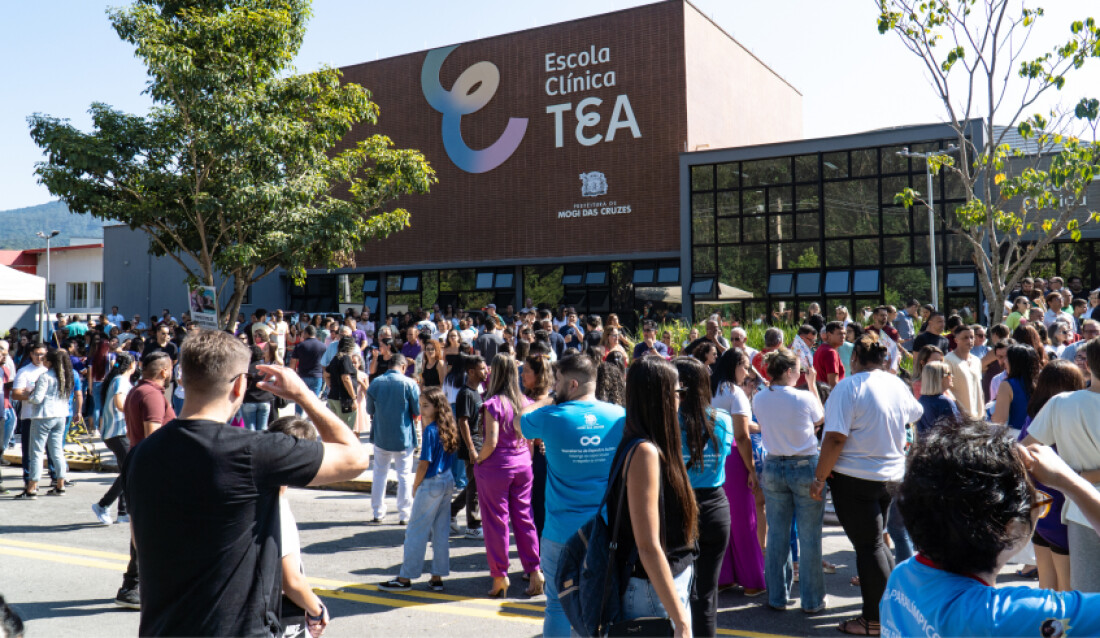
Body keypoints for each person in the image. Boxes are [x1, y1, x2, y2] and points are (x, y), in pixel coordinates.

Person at [122, 329, 369, 635]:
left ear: (181, 379)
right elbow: (355, 458)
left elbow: (138, 541)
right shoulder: (254, 450)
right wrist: (302, 394)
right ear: (240, 385)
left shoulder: (141, 455)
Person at [881, 422, 1100, 636]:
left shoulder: (903, 576)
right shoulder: (1005, 618)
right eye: (1039, 504)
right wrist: (1070, 482)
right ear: (1010, 529)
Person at [812, 334, 923, 636]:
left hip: (856, 477)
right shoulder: (894, 384)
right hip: (890, 475)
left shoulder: (848, 387)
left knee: (870, 545)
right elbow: (915, 414)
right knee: (876, 543)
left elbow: (835, 437)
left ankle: (875, 620)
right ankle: (890, 611)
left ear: (854, 358)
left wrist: (819, 478)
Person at [519, 354, 625, 637]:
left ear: (573, 384)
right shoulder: (618, 415)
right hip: (602, 530)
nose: (554, 386)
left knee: (556, 604)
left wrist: (551, 397)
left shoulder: (551, 416)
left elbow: (522, 421)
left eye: (558, 382)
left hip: (560, 531)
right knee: (598, 603)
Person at [607, 357, 697, 637]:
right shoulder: (644, 452)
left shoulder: (650, 445)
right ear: (661, 398)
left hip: (661, 585)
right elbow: (647, 545)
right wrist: (680, 620)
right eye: (677, 392)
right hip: (652, 591)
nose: (681, 399)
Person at [752, 348, 827, 613]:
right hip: (804, 465)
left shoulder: (759, 398)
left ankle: (777, 597)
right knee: (809, 536)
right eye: (798, 369)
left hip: (773, 464)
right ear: (788, 371)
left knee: (777, 535)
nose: (801, 374)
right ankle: (812, 600)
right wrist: (811, 386)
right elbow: (821, 419)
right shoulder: (804, 397)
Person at [1022, 338, 1100, 592]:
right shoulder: (1061, 403)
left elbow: (1023, 452)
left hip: (1081, 511)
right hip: (1080, 507)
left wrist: (1072, 477)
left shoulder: (1061, 403)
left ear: (1087, 364)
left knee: (1086, 596)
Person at [471, 354, 543, 597]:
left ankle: (500, 576)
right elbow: (530, 440)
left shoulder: (492, 404)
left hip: (496, 467)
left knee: (496, 522)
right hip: (523, 462)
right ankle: (535, 571)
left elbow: (490, 441)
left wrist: (479, 459)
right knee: (525, 518)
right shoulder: (525, 401)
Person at [674, 356, 732, 635]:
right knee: (707, 594)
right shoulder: (724, 420)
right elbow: (725, 456)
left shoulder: (668, 422)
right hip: (715, 507)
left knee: (675, 589)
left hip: (678, 505)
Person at [379, 387, 458, 593]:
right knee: (440, 531)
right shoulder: (447, 427)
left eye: (425, 406)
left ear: (436, 407)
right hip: (447, 479)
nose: (422, 410)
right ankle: (437, 576)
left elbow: (424, 463)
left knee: (415, 531)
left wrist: (415, 485)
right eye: (421, 405)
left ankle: (405, 577)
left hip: (431, 481)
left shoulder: (431, 430)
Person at [1018, 359, 1084, 592]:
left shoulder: (1032, 416)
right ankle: (1061, 629)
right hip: (1062, 512)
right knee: (1067, 590)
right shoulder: (1067, 418)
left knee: (1046, 588)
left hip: (1041, 509)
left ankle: (1046, 627)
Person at [265, 416, 328, 638]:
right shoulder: (277, 508)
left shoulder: (249, 495)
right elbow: (290, 580)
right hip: (276, 614)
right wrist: (316, 609)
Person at [710, 348, 766, 596]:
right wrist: (752, 470)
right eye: (745, 366)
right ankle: (753, 581)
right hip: (733, 457)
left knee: (722, 519)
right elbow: (742, 436)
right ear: (734, 366)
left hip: (712, 456)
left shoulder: (711, 389)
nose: (748, 372)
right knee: (745, 521)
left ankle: (724, 577)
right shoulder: (736, 394)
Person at [367, 353, 420, 525]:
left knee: (379, 473)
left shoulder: (376, 382)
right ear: (403, 367)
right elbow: (417, 410)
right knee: (404, 475)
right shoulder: (409, 383)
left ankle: (378, 512)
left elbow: (369, 410)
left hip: (381, 435)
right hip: (403, 436)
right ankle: (404, 514)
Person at [19, 348, 74, 498]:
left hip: (43, 415)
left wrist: (29, 395)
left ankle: (32, 487)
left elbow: (37, 398)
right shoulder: (66, 377)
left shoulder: (45, 376)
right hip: (60, 415)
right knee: (57, 451)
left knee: (36, 452)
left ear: (49, 362)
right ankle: (60, 484)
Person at [92, 353, 136, 524]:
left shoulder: (119, 380)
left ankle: (123, 512)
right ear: (131, 364)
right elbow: (119, 403)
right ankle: (103, 505)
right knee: (129, 471)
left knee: (125, 471)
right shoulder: (120, 381)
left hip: (117, 432)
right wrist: (135, 412)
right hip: (117, 431)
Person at [991, 344, 1039, 435]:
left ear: (1014, 362)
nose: (1004, 361)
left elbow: (1000, 420)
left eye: (1007, 358)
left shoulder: (1007, 385)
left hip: (1015, 438)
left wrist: (990, 414)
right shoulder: (1040, 382)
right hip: (1038, 437)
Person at [945, 324, 984, 420]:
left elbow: (979, 388)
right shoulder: (948, 360)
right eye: (965, 338)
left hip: (978, 417)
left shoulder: (976, 360)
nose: (969, 341)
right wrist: (958, 410)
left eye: (971, 337)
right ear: (956, 340)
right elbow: (946, 389)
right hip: (960, 417)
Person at [289, 325, 327, 416]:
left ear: (306, 333)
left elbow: (293, 362)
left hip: (303, 376)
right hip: (317, 376)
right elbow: (325, 363)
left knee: (300, 399)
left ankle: (298, 417)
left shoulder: (300, 346)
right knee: (314, 401)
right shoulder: (322, 346)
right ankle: (314, 418)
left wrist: (292, 376)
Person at [916, 361, 959, 437]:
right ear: (940, 378)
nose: (952, 376)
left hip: (925, 447)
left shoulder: (920, 401)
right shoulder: (946, 402)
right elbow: (958, 429)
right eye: (948, 373)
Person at [324, 336, 359, 429]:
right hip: (344, 400)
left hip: (333, 397)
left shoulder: (336, 358)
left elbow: (326, 374)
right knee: (346, 430)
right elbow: (346, 378)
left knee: (336, 430)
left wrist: (332, 387)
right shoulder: (346, 358)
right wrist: (354, 398)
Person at [240, 346, 274, 431]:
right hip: (265, 400)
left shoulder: (245, 368)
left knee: (250, 429)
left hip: (249, 400)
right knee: (263, 428)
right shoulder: (265, 367)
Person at [814, 321, 846, 388]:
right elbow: (833, 383)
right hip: (830, 395)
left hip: (822, 393)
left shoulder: (821, 348)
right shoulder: (830, 352)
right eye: (839, 334)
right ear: (829, 335)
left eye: (844, 334)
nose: (843, 336)